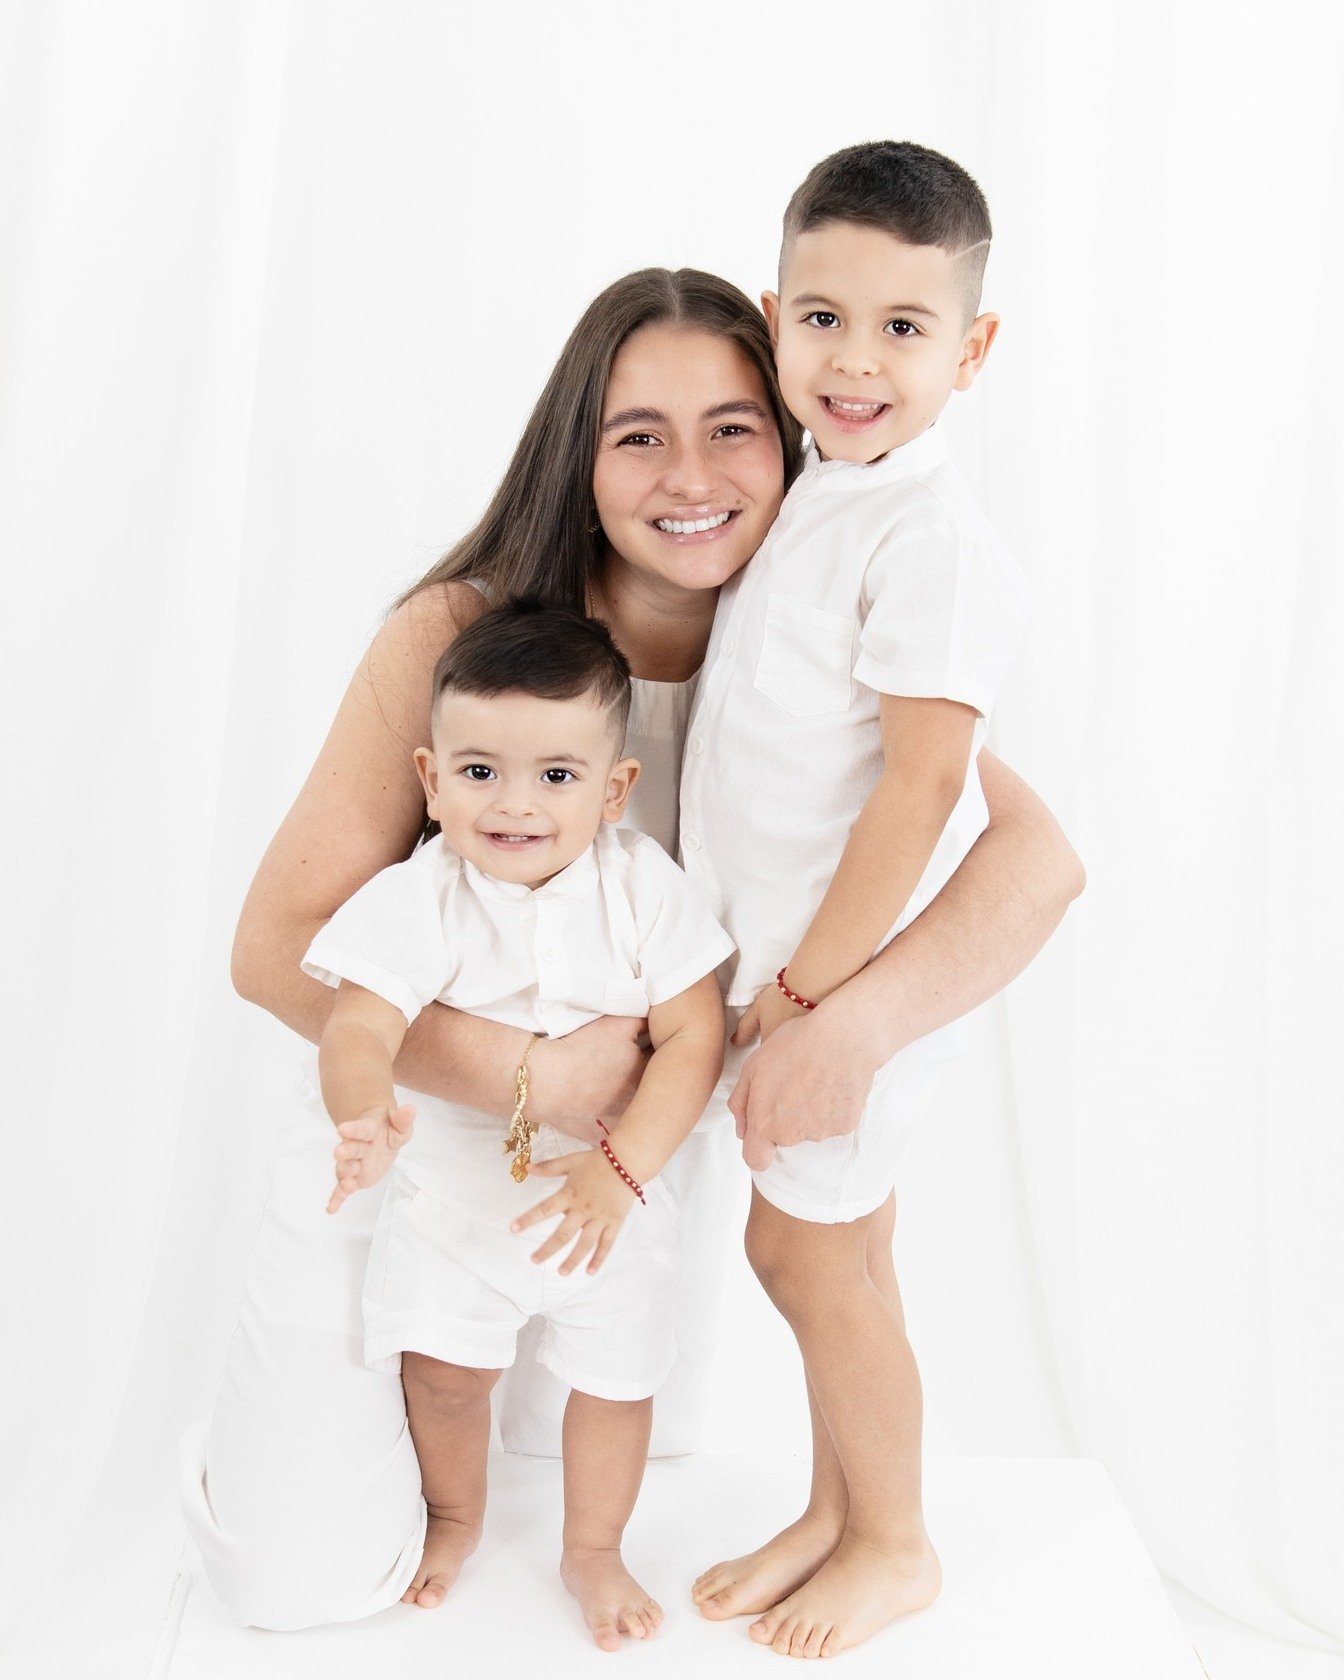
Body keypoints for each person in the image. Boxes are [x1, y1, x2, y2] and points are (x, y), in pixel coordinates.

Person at [180, 265, 1084, 1634]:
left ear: (791, 434)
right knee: (292, 1578)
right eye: (637, 436)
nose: (690, 478)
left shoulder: (810, 629)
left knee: (636, 1427)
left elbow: (1034, 859)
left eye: (733, 429)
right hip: (410, 1145)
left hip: (628, 1182)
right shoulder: (467, 637)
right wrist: (532, 1075)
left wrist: (840, 1024)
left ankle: (864, 1527)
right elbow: (272, 950)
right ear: (578, 454)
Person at [684, 141, 1028, 1660]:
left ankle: (895, 1540)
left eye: (904, 327)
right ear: (775, 320)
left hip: (830, 980)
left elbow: (922, 788)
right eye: (823, 319)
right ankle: (836, 1508)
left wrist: (810, 993)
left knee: (803, 1255)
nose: (857, 361)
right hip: (783, 961)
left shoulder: (929, 538)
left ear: (973, 348)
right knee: (847, 1246)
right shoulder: (824, 494)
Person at [306, 600, 730, 1646]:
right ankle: (455, 1515)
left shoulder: (642, 886)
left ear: (614, 789)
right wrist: (363, 1110)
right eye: (480, 770)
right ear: (430, 779)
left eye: (557, 775)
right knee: (445, 1375)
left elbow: (696, 1036)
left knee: (615, 1383)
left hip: (612, 1206)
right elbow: (357, 1025)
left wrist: (622, 1171)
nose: (515, 803)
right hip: (458, 1204)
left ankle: (595, 1547)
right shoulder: (423, 897)